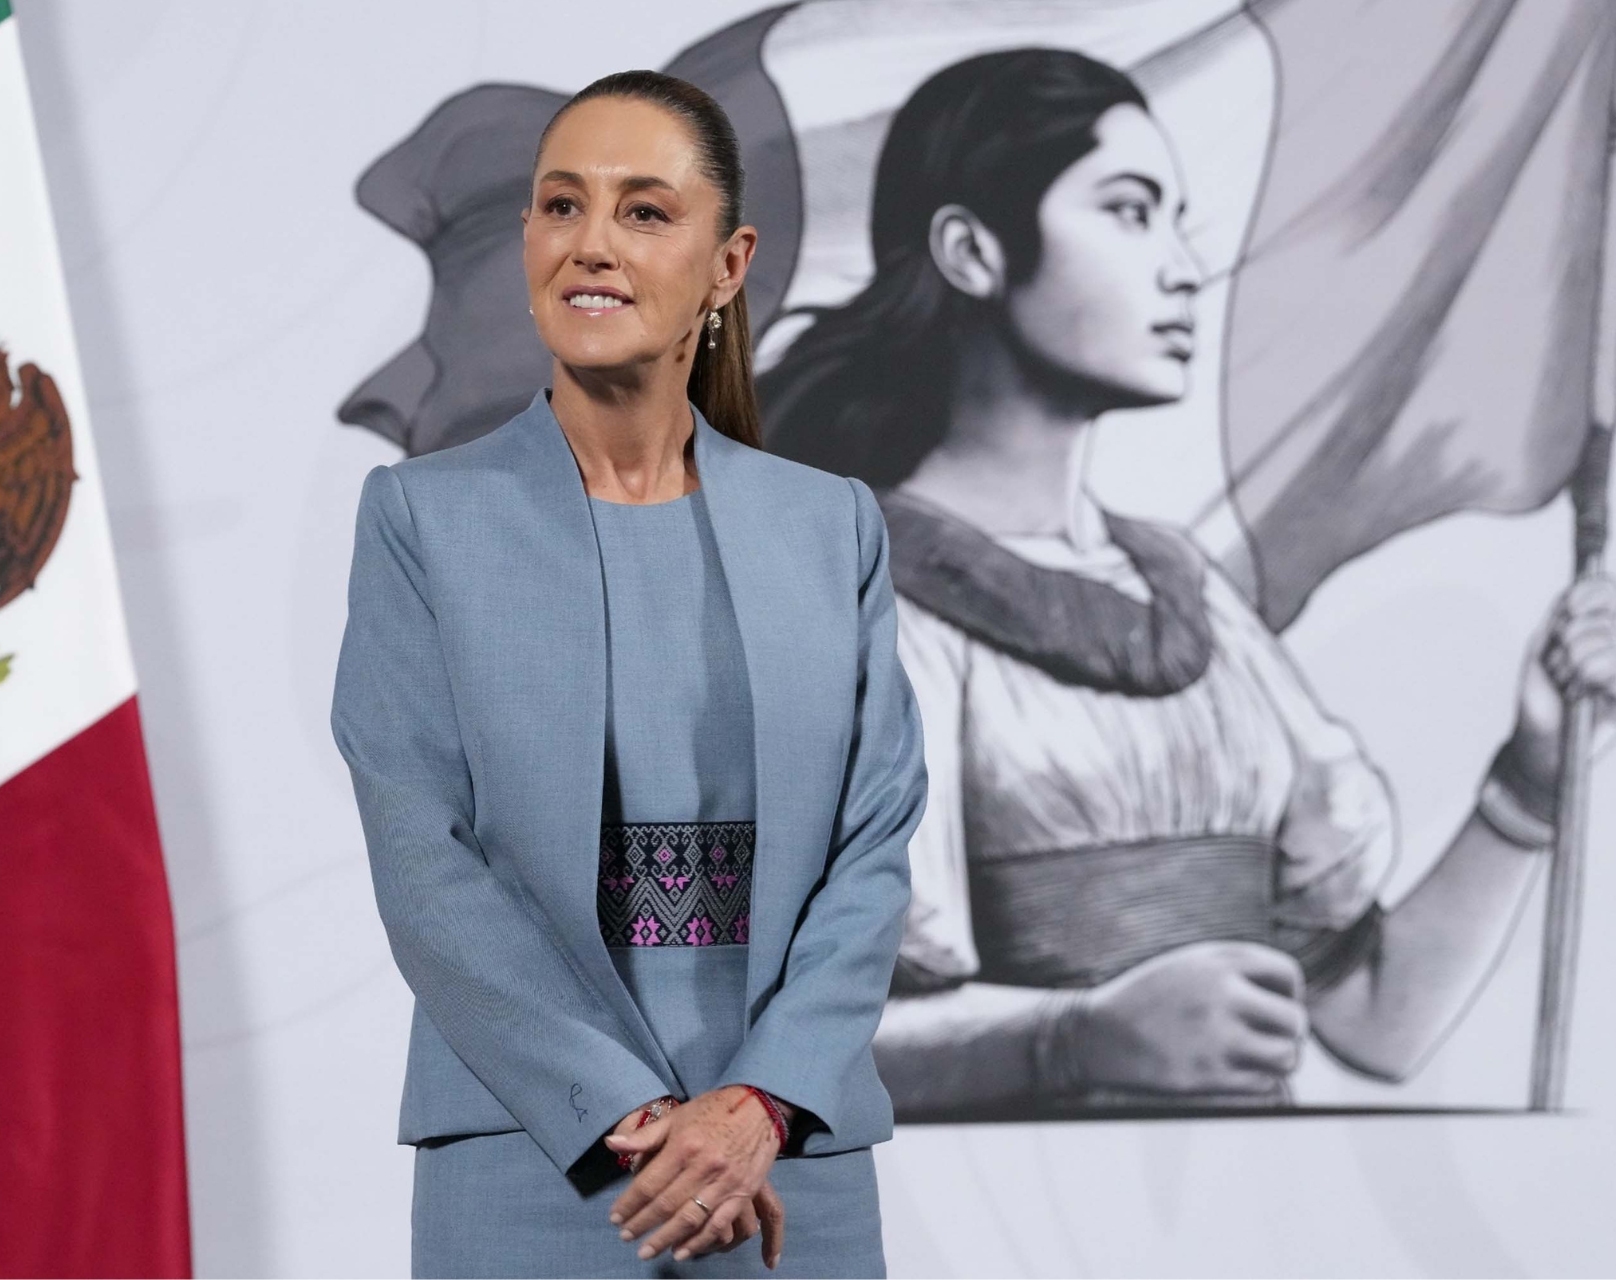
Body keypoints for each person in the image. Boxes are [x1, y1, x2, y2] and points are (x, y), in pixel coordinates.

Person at [761, 48, 1616, 1115]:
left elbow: (1377, 1020)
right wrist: (1071, 1038)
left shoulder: (1192, 597)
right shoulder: (848, 599)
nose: (1181, 267)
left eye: (1177, 219)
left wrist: (1531, 778)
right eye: (1129, 212)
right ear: (972, 252)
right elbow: (772, 1045)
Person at [332, 69, 927, 1276]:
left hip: (789, 1157)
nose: (591, 243)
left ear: (728, 264)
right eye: (562, 205)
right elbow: (422, 855)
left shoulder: (833, 525)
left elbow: (873, 848)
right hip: (533, 1147)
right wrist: (631, 1113)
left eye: (644, 211)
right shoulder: (422, 518)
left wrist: (756, 1106)